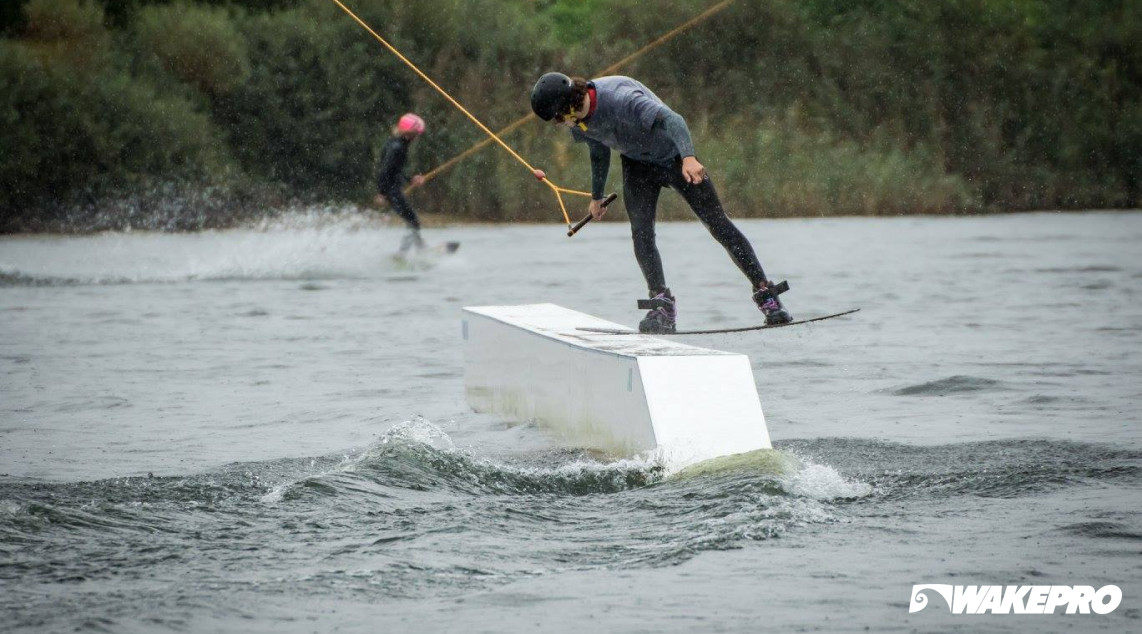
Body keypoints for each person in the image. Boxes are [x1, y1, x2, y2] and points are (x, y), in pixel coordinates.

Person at [530, 73, 792, 334]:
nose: (561, 124)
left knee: (717, 224)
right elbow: (598, 150)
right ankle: (662, 307)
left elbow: (673, 119)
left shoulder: (622, 99)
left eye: (559, 119)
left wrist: (688, 157)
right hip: (637, 165)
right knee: (641, 232)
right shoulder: (580, 122)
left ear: (569, 107)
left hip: (675, 157)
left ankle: (766, 295)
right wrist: (596, 196)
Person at [375, 113, 427, 255]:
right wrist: (382, 192)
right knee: (413, 222)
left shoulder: (396, 143)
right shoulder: (397, 148)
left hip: (392, 188)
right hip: (391, 190)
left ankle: (419, 249)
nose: (416, 137)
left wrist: (411, 179)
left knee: (412, 221)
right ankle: (405, 253)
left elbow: (395, 170)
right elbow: (385, 170)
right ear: (407, 132)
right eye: (415, 134)